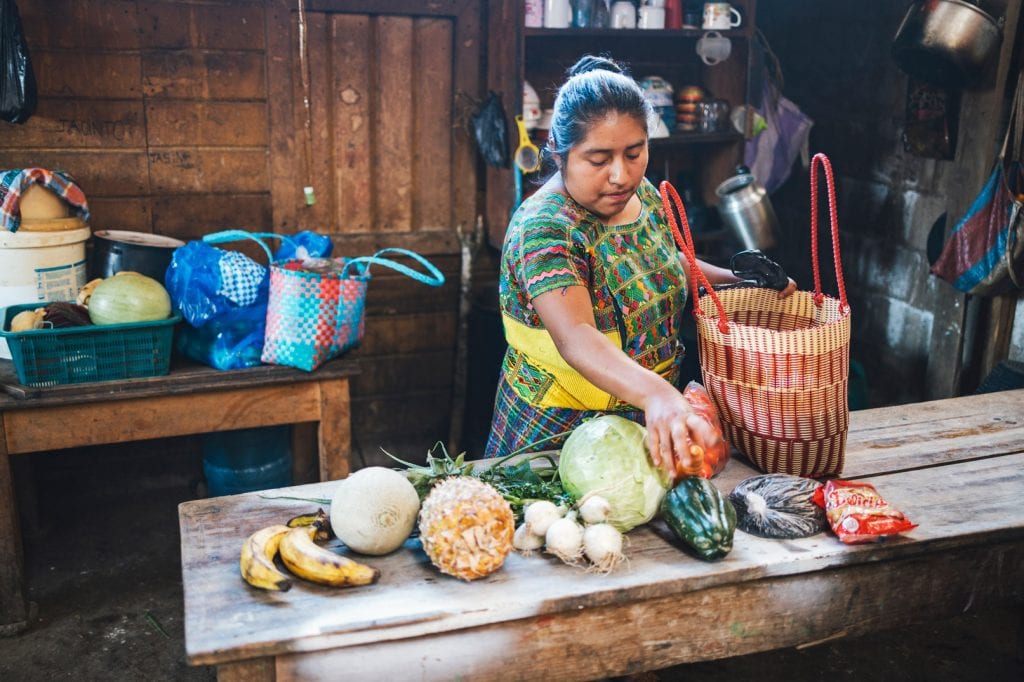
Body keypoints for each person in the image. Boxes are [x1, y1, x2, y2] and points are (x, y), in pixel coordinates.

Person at [485, 55, 796, 479]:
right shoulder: (544, 229)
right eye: (598, 160)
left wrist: (738, 284)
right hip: (554, 441)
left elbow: (666, 262)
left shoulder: (642, 194)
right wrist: (659, 395)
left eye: (634, 152)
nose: (620, 175)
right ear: (560, 155)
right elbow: (576, 337)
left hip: (641, 426)